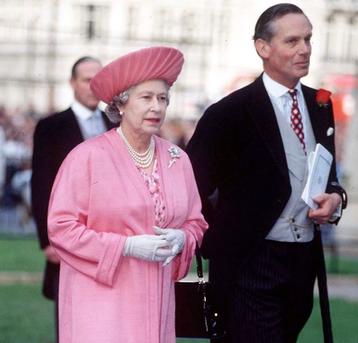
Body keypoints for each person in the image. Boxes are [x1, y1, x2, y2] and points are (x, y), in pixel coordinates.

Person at [186, 4, 347, 343]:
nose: (304, 49)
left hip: (302, 262)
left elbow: (327, 173)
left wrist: (335, 197)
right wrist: (226, 236)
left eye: (308, 39)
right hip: (250, 263)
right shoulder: (228, 113)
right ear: (263, 47)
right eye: (292, 41)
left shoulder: (320, 104)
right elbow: (190, 189)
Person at [47, 46, 208, 343]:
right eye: (146, 98)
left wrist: (182, 238)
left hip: (157, 299)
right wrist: (126, 246)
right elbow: (61, 228)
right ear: (121, 104)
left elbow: (196, 222)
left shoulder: (178, 159)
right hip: (100, 301)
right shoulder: (87, 157)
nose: (156, 108)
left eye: (162, 99)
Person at [31, 56, 115, 341]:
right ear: (72, 83)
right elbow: (41, 184)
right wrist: (47, 239)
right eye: (85, 79)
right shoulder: (51, 126)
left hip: (109, 240)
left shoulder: (115, 124)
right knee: (70, 321)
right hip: (67, 238)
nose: (93, 86)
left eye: (98, 79)